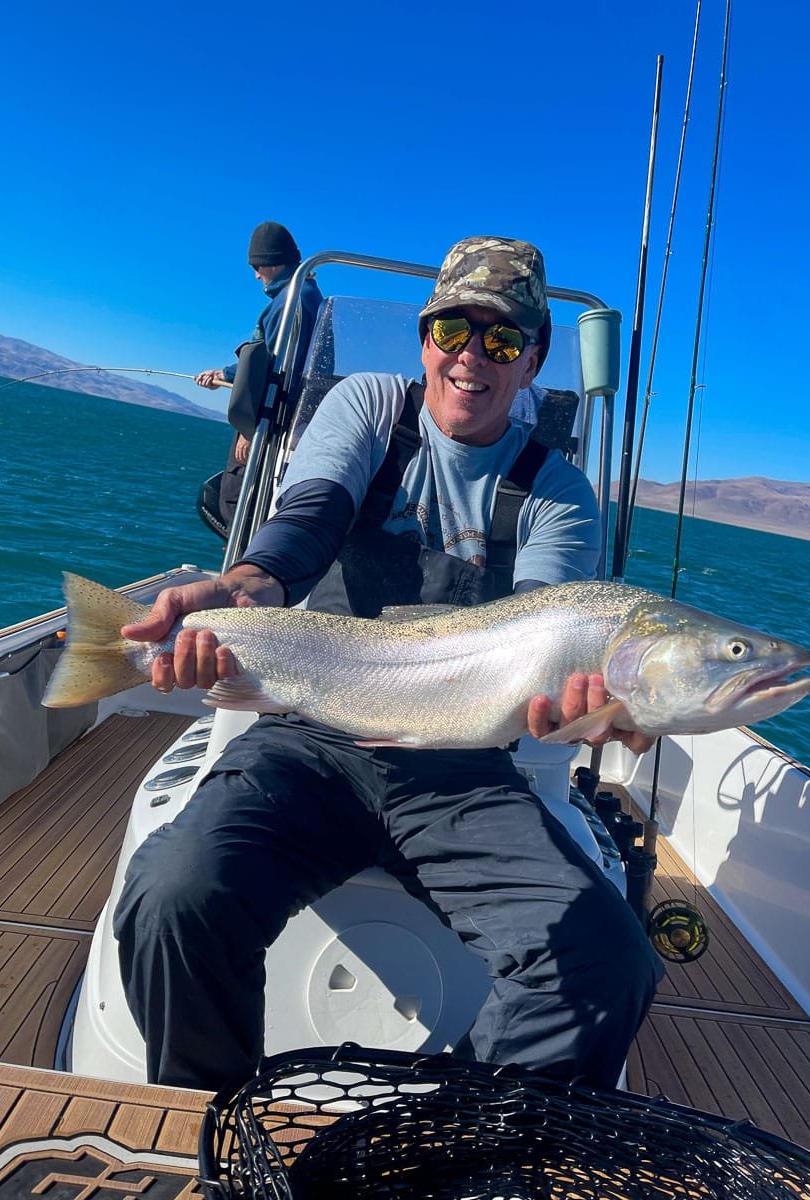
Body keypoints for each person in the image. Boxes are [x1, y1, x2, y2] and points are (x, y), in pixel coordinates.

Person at [114, 235, 663, 1094]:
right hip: (308, 740)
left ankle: (456, 1148)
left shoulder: (558, 493)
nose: (471, 358)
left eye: (504, 341)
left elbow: (548, 627)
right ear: (424, 336)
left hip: (465, 776)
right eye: (453, 329)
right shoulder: (371, 406)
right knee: (172, 896)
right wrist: (244, 584)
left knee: (608, 966)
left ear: (534, 364)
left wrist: (575, 708)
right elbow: (311, 514)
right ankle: (212, 1120)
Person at [195, 221, 324, 528]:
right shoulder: (309, 296)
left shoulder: (290, 302)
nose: (256, 275)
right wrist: (224, 374)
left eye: (257, 266)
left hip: (269, 424)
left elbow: (278, 372)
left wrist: (249, 430)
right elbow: (266, 360)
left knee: (234, 504)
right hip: (291, 422)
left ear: (271, 262)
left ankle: (248, 572)